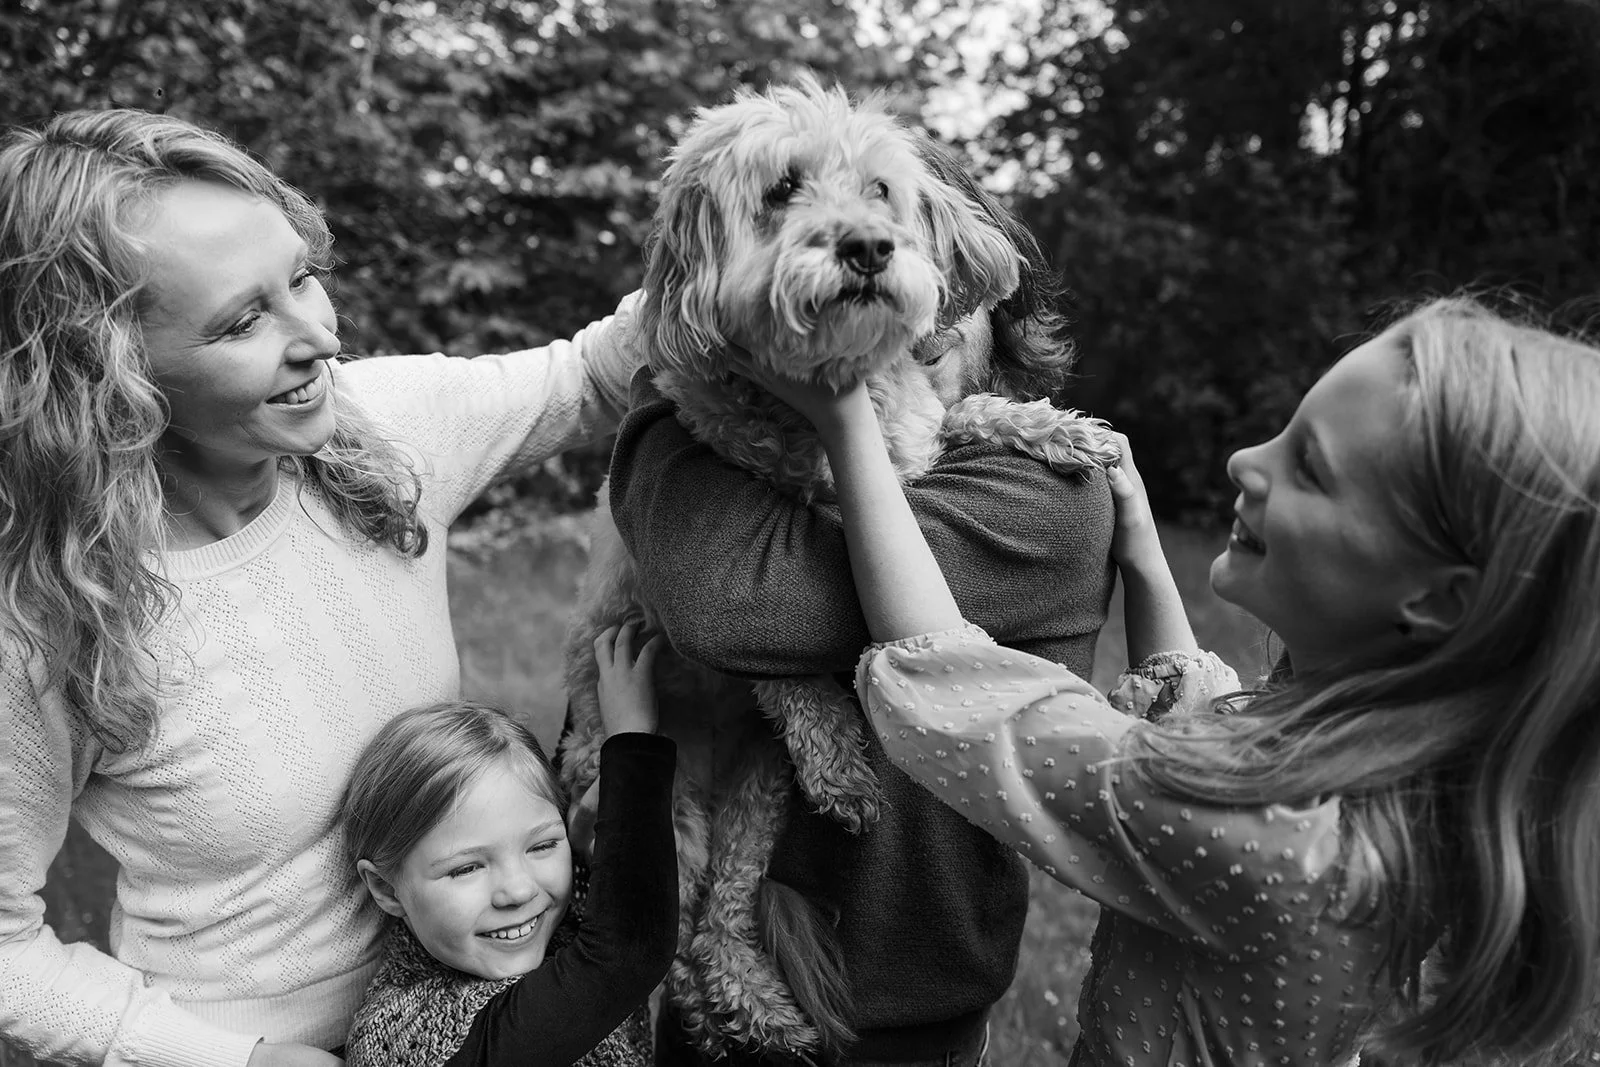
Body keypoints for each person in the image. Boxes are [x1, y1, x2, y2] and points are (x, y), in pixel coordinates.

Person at [749, 296, 1600, 1066]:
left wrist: (848, 421)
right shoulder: (1400, 788)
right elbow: (1198, 723)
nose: (1244, 459)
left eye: (1310, 466)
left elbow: (975, 704)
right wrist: (1145, 553)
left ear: (1437, 597)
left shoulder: (1277, 841)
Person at [0, 108, 643, 1067]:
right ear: (109, 372)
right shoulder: (54, 610)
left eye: (301, 277)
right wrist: (236, 1062)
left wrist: (780, 222)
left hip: (482, 1021)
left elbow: (597, 371)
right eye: (242, 321)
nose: (320, 338)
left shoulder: (385, 429)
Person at [600, 189, 1117, 1064]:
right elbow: (717, 594)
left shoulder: (1044, 498)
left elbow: (734, 603)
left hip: (907, 1004)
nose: (916, 321)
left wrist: (822, 412)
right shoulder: (717, 431)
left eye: (923, 263)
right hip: (712, 996)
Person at [339, 622, 677, 1067]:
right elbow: (626, 953)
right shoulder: (410, 1039)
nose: (518, 891)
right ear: (386, 888)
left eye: (541, 846)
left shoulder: (556, 924)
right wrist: (632, 742)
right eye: (466, 868)